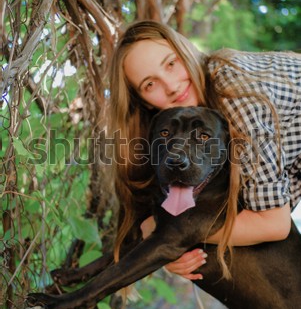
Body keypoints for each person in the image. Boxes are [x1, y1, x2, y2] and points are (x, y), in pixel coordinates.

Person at [108, 19, 301, 280]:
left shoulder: (235, 97)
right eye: (149, 84)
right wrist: (163, 239)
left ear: (184, 50)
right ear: (142, 101)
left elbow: (273, 224)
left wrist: (170, 236)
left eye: (171, 63)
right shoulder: (184, 126)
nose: (172, 86)